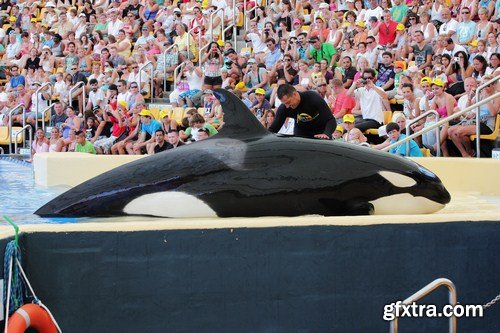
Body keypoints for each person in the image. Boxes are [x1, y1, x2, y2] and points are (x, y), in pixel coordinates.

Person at [269, 83, 337, 139]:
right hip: (301, 136)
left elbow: (331, 120)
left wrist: (326, 133)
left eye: (288, 102)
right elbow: (273, 129)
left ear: (295, 94)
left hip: (321, 134)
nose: (287, 106)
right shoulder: (284, 108)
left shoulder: (313, 98)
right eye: (284, 104)